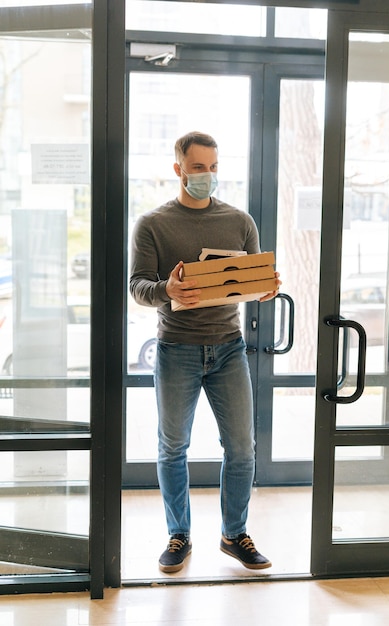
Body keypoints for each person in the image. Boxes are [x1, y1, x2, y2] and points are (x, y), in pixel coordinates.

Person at [130, 131, 281, 574]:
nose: (207, 176)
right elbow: (138, 287)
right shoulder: (153, 224)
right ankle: (179, 535)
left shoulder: (239, 221)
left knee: (241, 448)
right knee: (173, 447)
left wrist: (266, 289)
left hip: (229, 348)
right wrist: (167, 289)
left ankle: (234, 535)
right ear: (178, 169)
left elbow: (253, 280)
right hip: (176, 348)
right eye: (198, 168)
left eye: (213, 168)